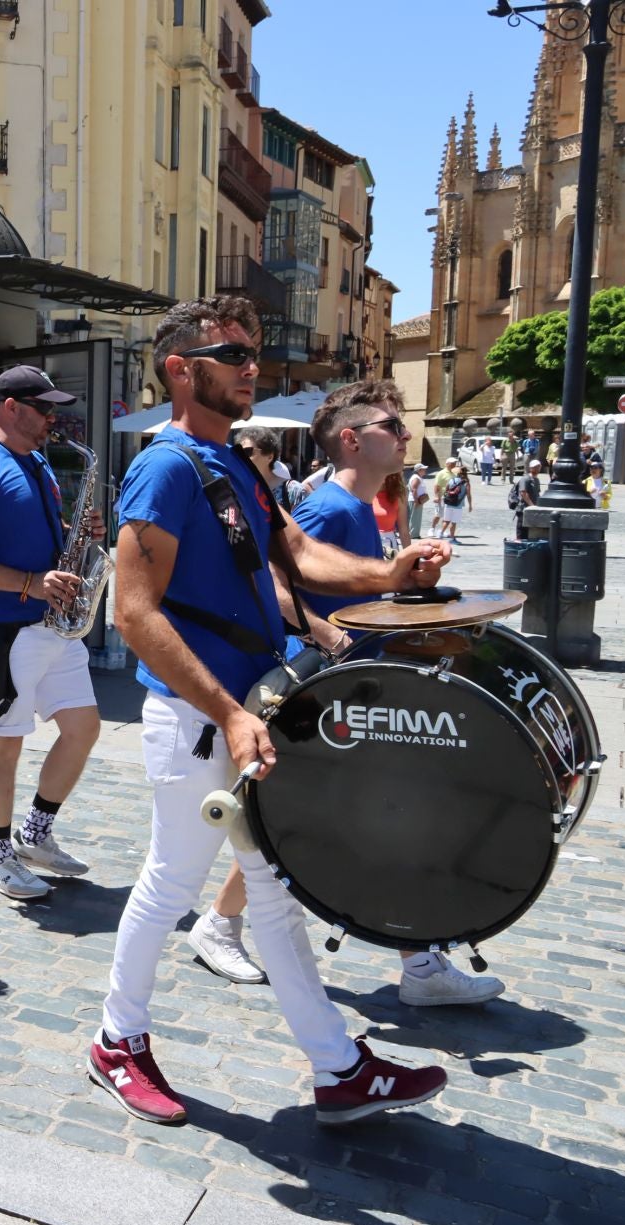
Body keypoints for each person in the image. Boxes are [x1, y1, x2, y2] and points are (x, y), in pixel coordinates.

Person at [94, 296, 451, 1127]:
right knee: (171, 884)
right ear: (182, 369)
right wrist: (224, 712)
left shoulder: (239, 464)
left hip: (245, 709)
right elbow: (135, 613)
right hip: (199, 718)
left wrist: (390, 575)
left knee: (273, 890)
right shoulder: (166, 466)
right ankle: (117, 1041)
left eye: (254, 352)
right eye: (235, 353)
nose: (253, 366)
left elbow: (298, 553)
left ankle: (339, 1068)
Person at [187, 380, 504, 1008]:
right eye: (394, 424)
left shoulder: (365, 509)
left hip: (359, 692)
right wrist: (332, 639)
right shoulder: (331, 508)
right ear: (354, 440)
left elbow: (362, 596)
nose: (408, 433)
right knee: (329, 823)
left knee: (354, 823)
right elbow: (270, 584)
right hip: (327, 696)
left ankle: (418, 962)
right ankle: (224, 924)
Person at [0, 365, 102, 901]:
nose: (52, 419)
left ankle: (35, 834)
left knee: (83, 728)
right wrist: (30, 582)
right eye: (44, 409)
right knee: (3, 746)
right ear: (10, 406)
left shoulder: (35, 461)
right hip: (3, 627)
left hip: (49, 623)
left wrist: (80, 538)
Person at [436, 463, 471, 541]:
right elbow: (468, 495)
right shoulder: (466, 483)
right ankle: (452, 538)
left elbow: (446, 490)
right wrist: (470, 505)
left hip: (448, 503)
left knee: (446, 520)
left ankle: (440, 533)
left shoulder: (452, 480)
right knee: (454, 522)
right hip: (458, 504)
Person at [406, 461, 431, 540]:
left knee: (415, 517)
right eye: (423, 469)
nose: (425, 470)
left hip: (416, 500)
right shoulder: (416, 478)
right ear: (419, 470)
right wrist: (416, 501)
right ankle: (413, 534)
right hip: (415, 500)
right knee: (415, 518)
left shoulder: (417, 477)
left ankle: (414, 533)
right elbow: (414, 489)